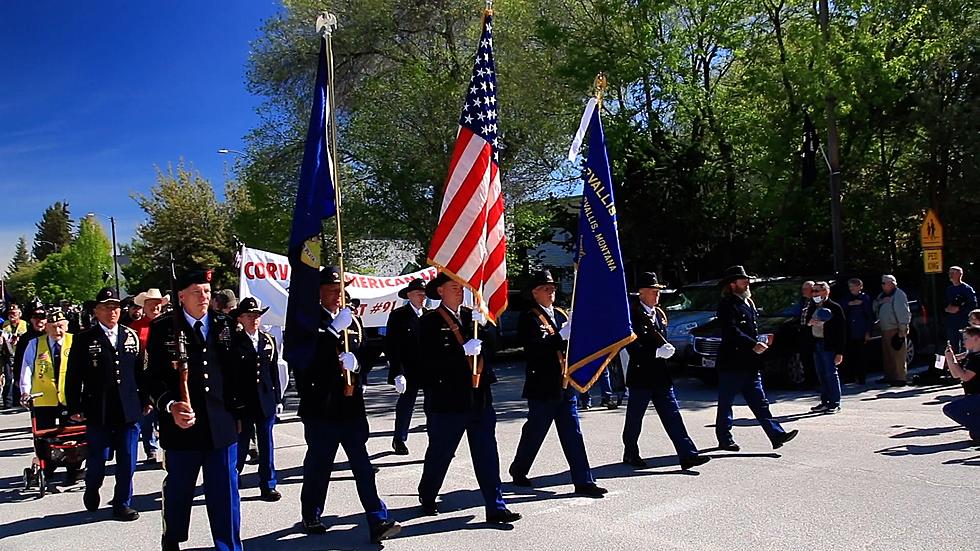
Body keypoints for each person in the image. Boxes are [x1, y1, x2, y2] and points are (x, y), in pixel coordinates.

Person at [296, 266, 400, 543]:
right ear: (318, 291)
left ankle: (378, 518)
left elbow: (363, 353)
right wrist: (331, 331)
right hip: (321, 407)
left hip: (350, 405)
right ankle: (312, 512)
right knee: (319, 465)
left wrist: (359, 364)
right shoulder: (306, 321)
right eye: (331, 290)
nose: (337, 295)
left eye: (341, 290)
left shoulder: (353, 322)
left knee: (363, 467)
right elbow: (305, 364)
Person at [145, 268, 244, 551]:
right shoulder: (164, 327)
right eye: (197, 292)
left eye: (207, 292)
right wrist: (170, 405)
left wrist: (238, 413)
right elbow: (151, 378)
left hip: (220, 425)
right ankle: (172, 538)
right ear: (181, 296)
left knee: (225, 494)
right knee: (179, 491)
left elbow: (236, 373)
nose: (204, 297)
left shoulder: (225, 324)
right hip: (181, 427)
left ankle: (228, 547)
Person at [417, 272, 521, 524]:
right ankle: (428, 493)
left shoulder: (470, 316)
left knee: (487, 452)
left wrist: (486, 326)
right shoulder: (429, 322)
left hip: (479, 397)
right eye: (454, 286)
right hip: (448, 399)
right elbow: (426, 362)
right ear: (440, 291)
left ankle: (495, 505)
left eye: (461, 287)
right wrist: (459, 353)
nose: (460, 291)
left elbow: (495, 349)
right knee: (441, 452)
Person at [508, 270, 607, 496]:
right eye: (545, 288)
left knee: (573, 434)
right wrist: (560, 337)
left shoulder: (562, 315)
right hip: (542, 385)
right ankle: (519, 469)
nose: (551, 291)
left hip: (566, 384)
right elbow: (535, 349)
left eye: (552, 288)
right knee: (535, 432)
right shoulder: (529, 318)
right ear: (534, 293)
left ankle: (584, 481)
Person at [65, 287, 146, 521]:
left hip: (128, 408)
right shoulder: (84, 339)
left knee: (128, 460)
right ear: (96, 311)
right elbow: (74, 377)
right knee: (98, 460)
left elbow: (142, 371)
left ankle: (122, 502)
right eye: (106, 308)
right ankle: (92, 486)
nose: (112, 312)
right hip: (98, 408)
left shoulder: (130, 336)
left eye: (116, 307)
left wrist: (146, 399)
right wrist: (74, 407)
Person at [623, 272, 711, 470]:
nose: (657, 295)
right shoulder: (632, 315)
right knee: (635, 418)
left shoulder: (659, 314)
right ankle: (630, 452)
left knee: (673, 416)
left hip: (661, 376)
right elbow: (633, 348)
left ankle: (687, 454)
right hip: (641, 375)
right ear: (642, 292)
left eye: (658, 291)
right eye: (653, 291)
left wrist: (665, 352)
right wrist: (656, 353)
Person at [714, 266, 799, 451]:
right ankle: (724, 438)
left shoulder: (748, 303)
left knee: (760, 402)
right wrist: (752, 344)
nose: (747, 283)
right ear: (733, 284)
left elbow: (751, 329)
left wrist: (761, 339)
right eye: (743, 280)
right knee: (726, 403)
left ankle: (776, 435)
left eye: (747, 280)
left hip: (750, 363)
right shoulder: (727, 304)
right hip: (732, 363)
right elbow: (731, 331)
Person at [19, 309, 83, 484]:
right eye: (53, 327)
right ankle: (47, 467)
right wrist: (25, 391)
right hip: (43, 398)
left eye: (61, 326)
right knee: (43, 436)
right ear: (46, 327)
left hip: (70, 398)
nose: (58, 331)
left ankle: (73, 468)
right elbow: (27, 368)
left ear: (67, 326)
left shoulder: (75, 341)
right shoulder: (35, 344)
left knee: (73, 435)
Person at [230, 297, 282, 501]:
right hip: (244, 402)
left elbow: (273, 371)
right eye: (249, 316)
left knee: (266, 444)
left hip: (265, 400)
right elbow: (231, 376)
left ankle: (268, 484)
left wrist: (278, 398)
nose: (254, 320)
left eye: (257, 316)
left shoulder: (267, 340)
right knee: (241, 444)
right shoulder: (234, 343)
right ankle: (233, 478)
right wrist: (234, 404)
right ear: (240, 318)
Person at [384, 278, 427, 455]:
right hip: (408, 370)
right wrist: (398, 372)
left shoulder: (429, 315)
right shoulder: (399, 315)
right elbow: (392, 346)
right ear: (409, 295)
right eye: (419, 294)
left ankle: (437, 441)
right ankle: (399, 439)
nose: (422, 297)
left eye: (424, 294)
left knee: (433, 406)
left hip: (428, 369)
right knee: (406, 405)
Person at [130, 288, 170, 463]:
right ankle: (151, 448)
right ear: (144, 306)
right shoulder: (135, 328)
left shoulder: (170, 324)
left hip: (166, 374)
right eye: (151, 304)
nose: (155, 307)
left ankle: (168, 448)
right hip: (144, 374)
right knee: (147, 415)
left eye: (158, 304)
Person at [804, 282, 847, 413]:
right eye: (813, 291)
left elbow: (842, 331)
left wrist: (840, 352)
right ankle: (825, 401)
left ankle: (834, 403)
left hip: (829, 345)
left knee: (831, 374)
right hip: (816, 343)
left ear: (826, 292)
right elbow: (806, 322)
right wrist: (809, 323)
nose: (814, 294)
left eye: (817, 291)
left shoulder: (835, 307)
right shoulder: (812, 306)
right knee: (821, 374)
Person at [942, 326, 980, 443]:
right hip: (972, 395)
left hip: (977, 396)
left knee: (950, 409)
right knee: (975, 435)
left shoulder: (978, 358)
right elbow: (955, 375)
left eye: (966, 339)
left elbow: (965, 376)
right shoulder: (971, 355)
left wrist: (952, 361)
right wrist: (950, 359)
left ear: (977, 339)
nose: (963, 342)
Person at [873, 274, 912, 386]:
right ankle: (889, 376)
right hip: (885, 329)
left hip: (896, 329)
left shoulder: (899, 295)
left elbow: (903, 312)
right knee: (888, 355)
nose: (882, 285)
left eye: (884, 283)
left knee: (898, 355)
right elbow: (874, 305)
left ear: (891, 283)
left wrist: (902, 329)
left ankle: (900, 378)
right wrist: (881, 302)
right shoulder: (882, 296)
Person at [843, 278, 874, 384]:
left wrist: (868, 332)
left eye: (853, 286)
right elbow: (841, 306)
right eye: (850, 286)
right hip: (849, 331)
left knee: (861, 355)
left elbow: (869, 316)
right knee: (850, 355)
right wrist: (849, 304)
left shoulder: (865, 298)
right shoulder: (846, 299)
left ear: (860, 287)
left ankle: (861, 377)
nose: (851, 288)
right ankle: (849, 376)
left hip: (860, 331)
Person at [944, 266, 977, 353]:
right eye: (950, 273)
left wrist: (959, 309)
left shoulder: (967, 289)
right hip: (952, 323)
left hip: (964, 321)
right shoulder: (949, 290)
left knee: (964, 345)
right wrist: (948, 309)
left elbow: (973, 305)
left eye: (953, 273)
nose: (950, 275)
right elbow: (944, 305)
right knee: (952, 345)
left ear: (960, 274)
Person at [1, 302, 27, 408]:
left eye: (14, 313)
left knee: (20, 377)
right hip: (8, 354)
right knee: (8, 378)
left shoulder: (25, 324)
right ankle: (8, 402)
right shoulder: (5, 324)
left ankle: (19, 400)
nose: (12, 315)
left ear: (19, 314)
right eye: (10, 313)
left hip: (20, 354)